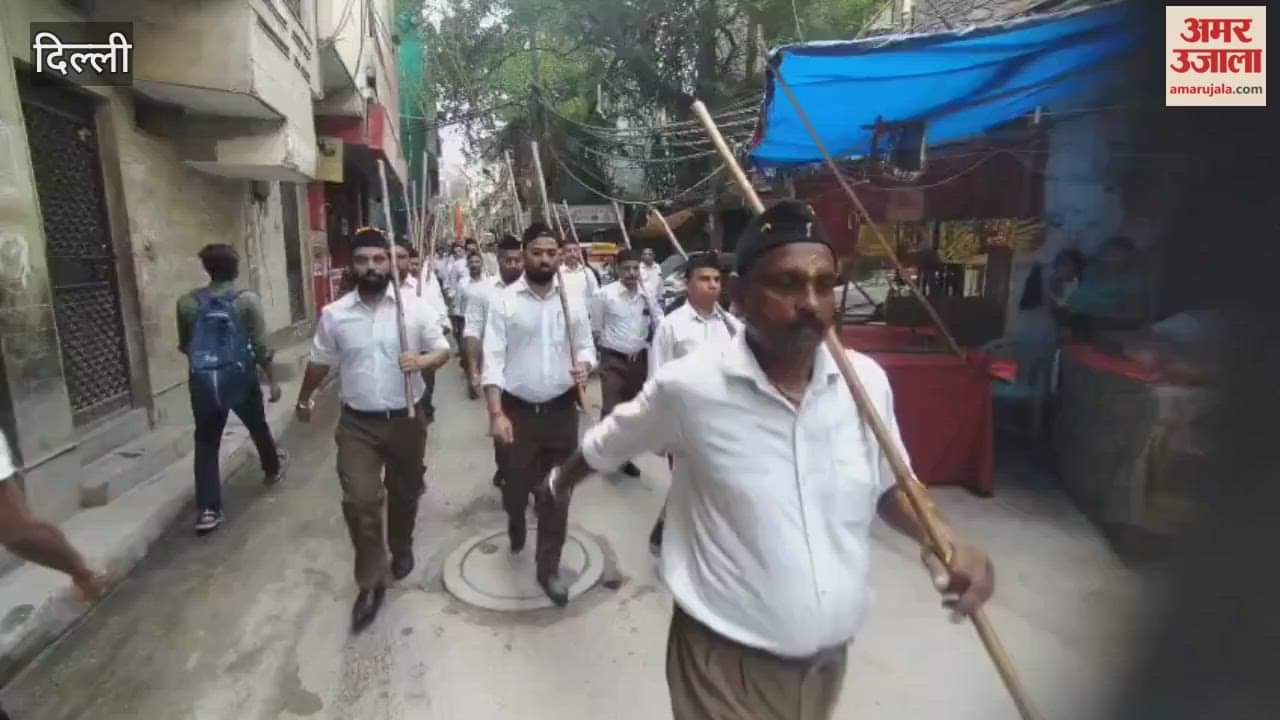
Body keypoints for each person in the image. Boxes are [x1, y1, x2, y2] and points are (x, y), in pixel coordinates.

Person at [545, 201, 995, 718]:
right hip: (721, 665)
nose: (811, 303)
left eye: (824, 285)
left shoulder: (865, 383)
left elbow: (892, 485)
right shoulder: (689, 388)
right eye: (786, 284)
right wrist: (560, 480)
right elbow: (608, 442)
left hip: (826, 666)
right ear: (739, 297)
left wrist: (945, 538)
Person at [293, 227, 451, 632]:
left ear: (390, 263)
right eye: (363, 260)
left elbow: (443, 349)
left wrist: (423, 361)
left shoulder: (413, 309)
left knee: (405, 490)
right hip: (358, 424)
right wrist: (304, 397)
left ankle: (401, 544)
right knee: (360, 502)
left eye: (379, 260)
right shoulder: (335, 315)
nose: (372, 267)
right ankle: (370, 582)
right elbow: (319, 361)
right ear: (352, 265)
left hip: (407, 418)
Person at [482, 222, 595, 606]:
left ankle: (548, 568)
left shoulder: (572, 301)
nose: (545, 259)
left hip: (563, 413)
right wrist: (496, 413)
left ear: (559, 255)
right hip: (518, 414)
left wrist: (585, 367)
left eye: (552, 253)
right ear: (526, 255)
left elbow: (586, 348)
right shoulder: (504, 301)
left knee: (558, 493)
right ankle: (515, 519)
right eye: (537, 252)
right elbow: (493, 359)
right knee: (516, 488)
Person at [176, 243, 287, 535]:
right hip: (240, 377)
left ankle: (209, 510)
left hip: (203, 382)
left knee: (206, 442)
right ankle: (272, 468)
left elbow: (187, 346)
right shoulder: (247, 300)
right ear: (235, 268)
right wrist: (272, 380)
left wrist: (206, 371)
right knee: (257, 425)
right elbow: (262, 346)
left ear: (207, 268)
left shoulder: (187, 303)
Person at [645, 252, 741, 554]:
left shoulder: (732, 326)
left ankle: (670, 528)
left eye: (716, 279)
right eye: (704, 279)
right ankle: (680, 543)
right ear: (688, 283)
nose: (712, 285)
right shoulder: (671, 326)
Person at [590, 248, 662, 478]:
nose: (631, 273)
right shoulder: (605, 295)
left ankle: (623, 458)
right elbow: (596, 329)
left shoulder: (647, 294)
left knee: (631, 413)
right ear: (617, 270)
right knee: (611, 409)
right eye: (626, 268)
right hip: (613, 360)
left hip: (638, 361)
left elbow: (659, 321)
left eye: (635, 268)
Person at [462, 235, 525, 483]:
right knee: (502, 425)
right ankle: (506, 468)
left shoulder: (536, 289)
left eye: (518, 259)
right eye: (507, 260)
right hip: (497, 373)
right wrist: (474, 370)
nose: (514, 265)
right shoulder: (483, 292)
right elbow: (472, 332)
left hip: (527, 371)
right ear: (497, 260)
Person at [395, 243, 451, 421]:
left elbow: (439, 307)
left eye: (416, 263)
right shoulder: (390, 287)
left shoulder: (428, 283)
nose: (413, 267)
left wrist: (441, 326)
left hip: (427, 346)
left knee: (426, 385)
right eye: (410, 263)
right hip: (405, 346)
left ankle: (424, 410)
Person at [1068, 236, 1150, 335]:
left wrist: (1092, 323)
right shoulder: (1088, 272)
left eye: (1114, 255)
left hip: (1107, 333)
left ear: (1127, 259)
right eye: (1105, 253)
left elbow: (1134, 318)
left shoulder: (1132, 284)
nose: (1108, 258)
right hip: (1069, 327)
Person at [453, 251, 486, 394]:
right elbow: (458, 305)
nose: (474, 265)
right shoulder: (463, 283)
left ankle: (480, 376)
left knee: (482, 357)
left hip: (487, 325)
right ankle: (472, 381)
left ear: (481, 264)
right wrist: (457, 325)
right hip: (469, 325)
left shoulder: (490, 282)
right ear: (467, 264)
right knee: (470, 357)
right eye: (471, 262)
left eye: (477, 262)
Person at [559, 239, 600, 319]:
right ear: (563, 254)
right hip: (563, 319)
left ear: (579, 253)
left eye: (575, 250)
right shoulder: (558, 273)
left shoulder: (587, 272)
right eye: (569, 251)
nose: (573, 253)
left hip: (584, 319)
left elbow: (595, 294)